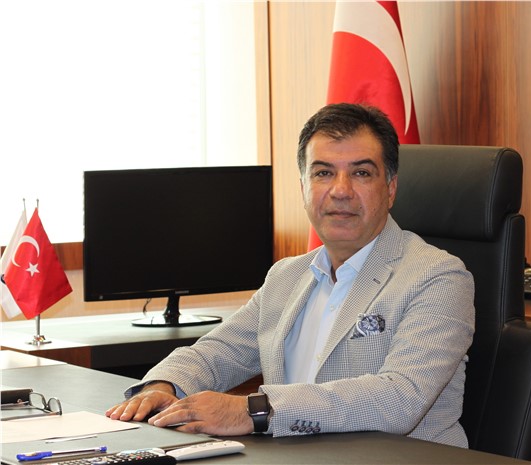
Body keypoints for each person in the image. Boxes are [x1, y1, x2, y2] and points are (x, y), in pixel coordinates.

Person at [106, 103, 475, 447]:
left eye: (361, 173)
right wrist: (163, 385)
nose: (340, 190)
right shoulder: (287, 275)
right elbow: (218, 352)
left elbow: (401, 398)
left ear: (390, 189)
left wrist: (253, 410)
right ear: (304, 188)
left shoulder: (437, 277)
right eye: (323, 173)